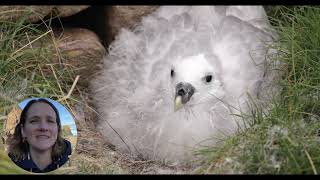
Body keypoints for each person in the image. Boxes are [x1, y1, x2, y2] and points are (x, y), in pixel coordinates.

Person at [7, 98, 72, 173]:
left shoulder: (71, 165)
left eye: (50, 121)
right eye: (34, 121)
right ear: (23, 130)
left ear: (57, 129)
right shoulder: (7, 167)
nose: (43, 127)